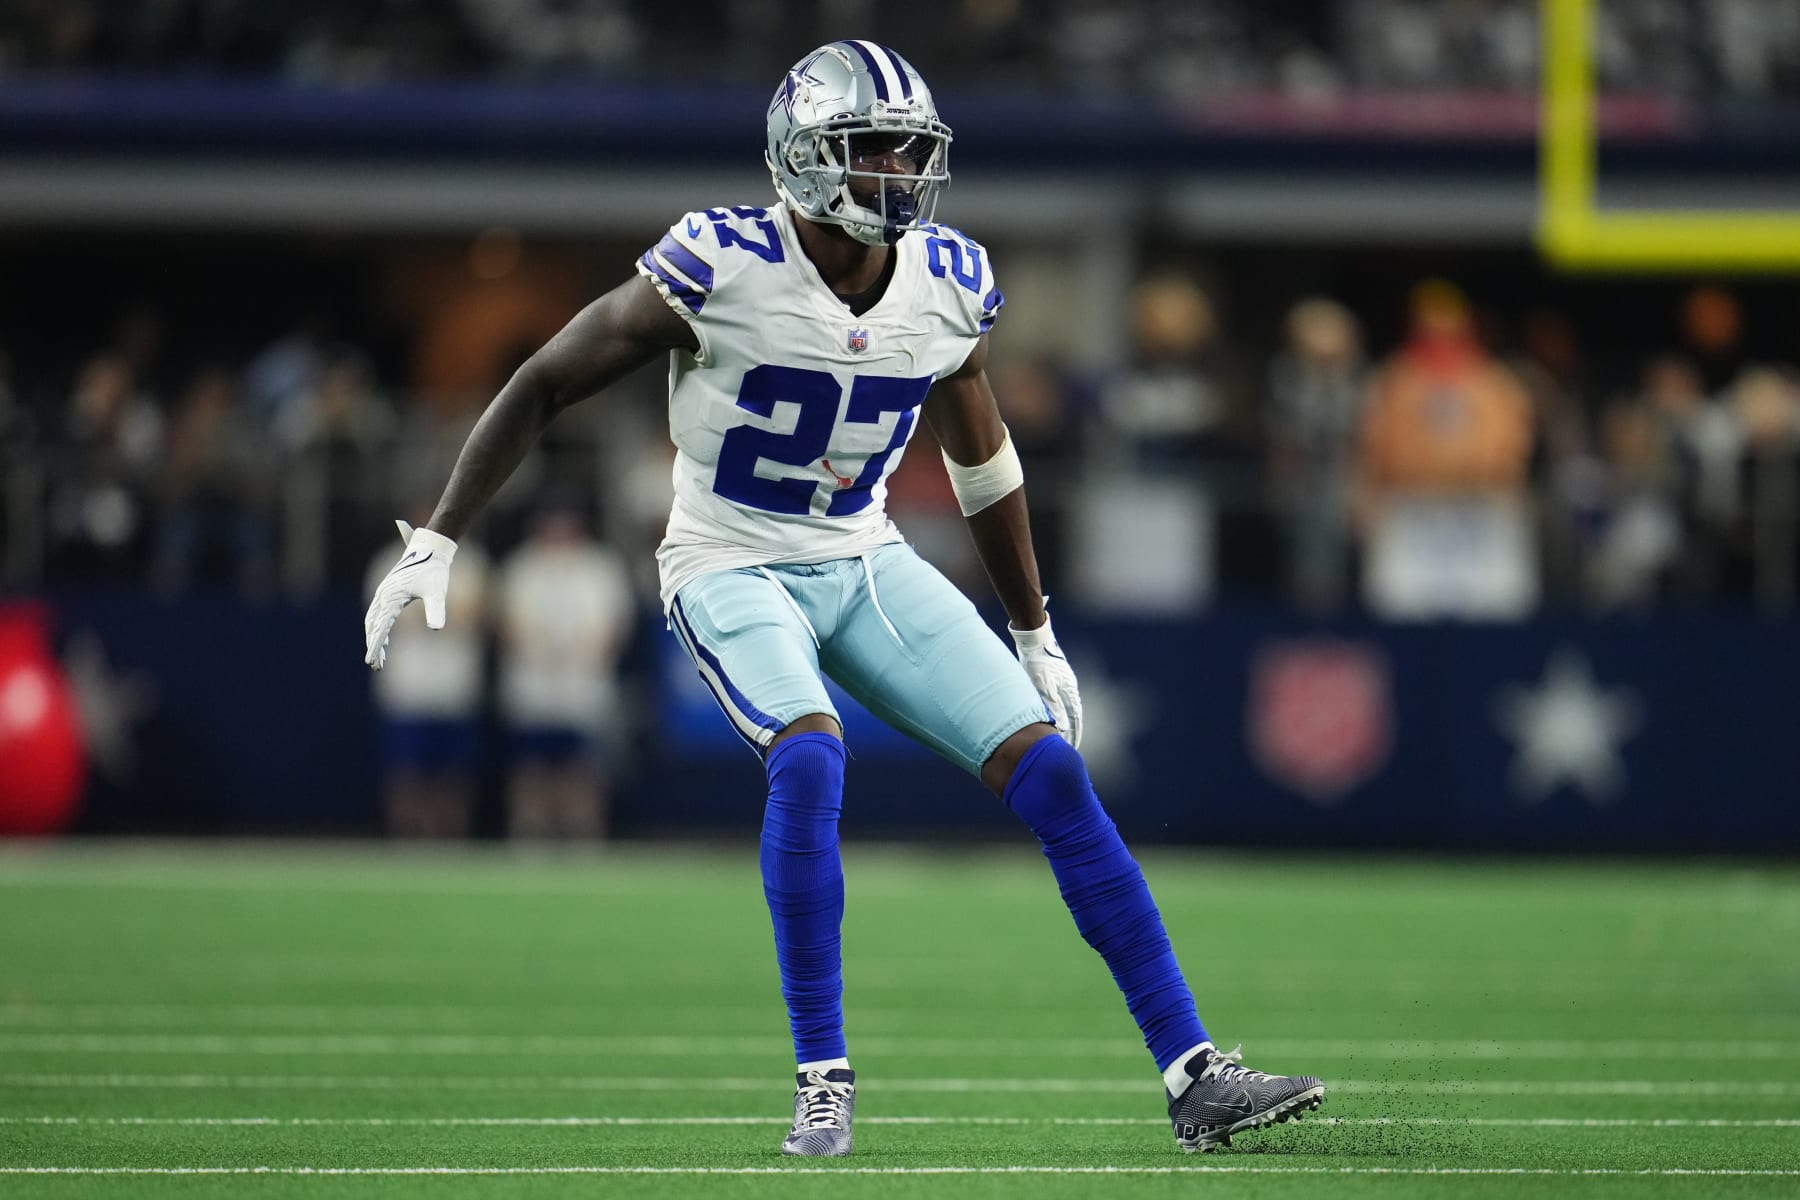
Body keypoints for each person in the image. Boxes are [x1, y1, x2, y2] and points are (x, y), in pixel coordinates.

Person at [364, 40, 1322, 1157]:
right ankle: (823, 1078)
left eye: (910, 152)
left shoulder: (946, 280)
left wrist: (1033, 627)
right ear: (802, 155)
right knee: (812, 757)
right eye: (871, 148)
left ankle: (1194, 1075)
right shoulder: (719, 262)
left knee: (1056, 773)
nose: (897, 173)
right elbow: (543, 382)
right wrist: (441, 535)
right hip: (729, 558)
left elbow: (984, 461)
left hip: (864, 557)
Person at [495, 500, 637, 839]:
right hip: (532, 685)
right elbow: (504, 622)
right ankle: (530, 832)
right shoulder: (521, 567)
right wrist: (536, 650)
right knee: (531, 767)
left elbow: (618, 625)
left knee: (583, 767)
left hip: (584, 686)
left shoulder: (600, 567)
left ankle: (582, 832)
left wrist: (586, 653)